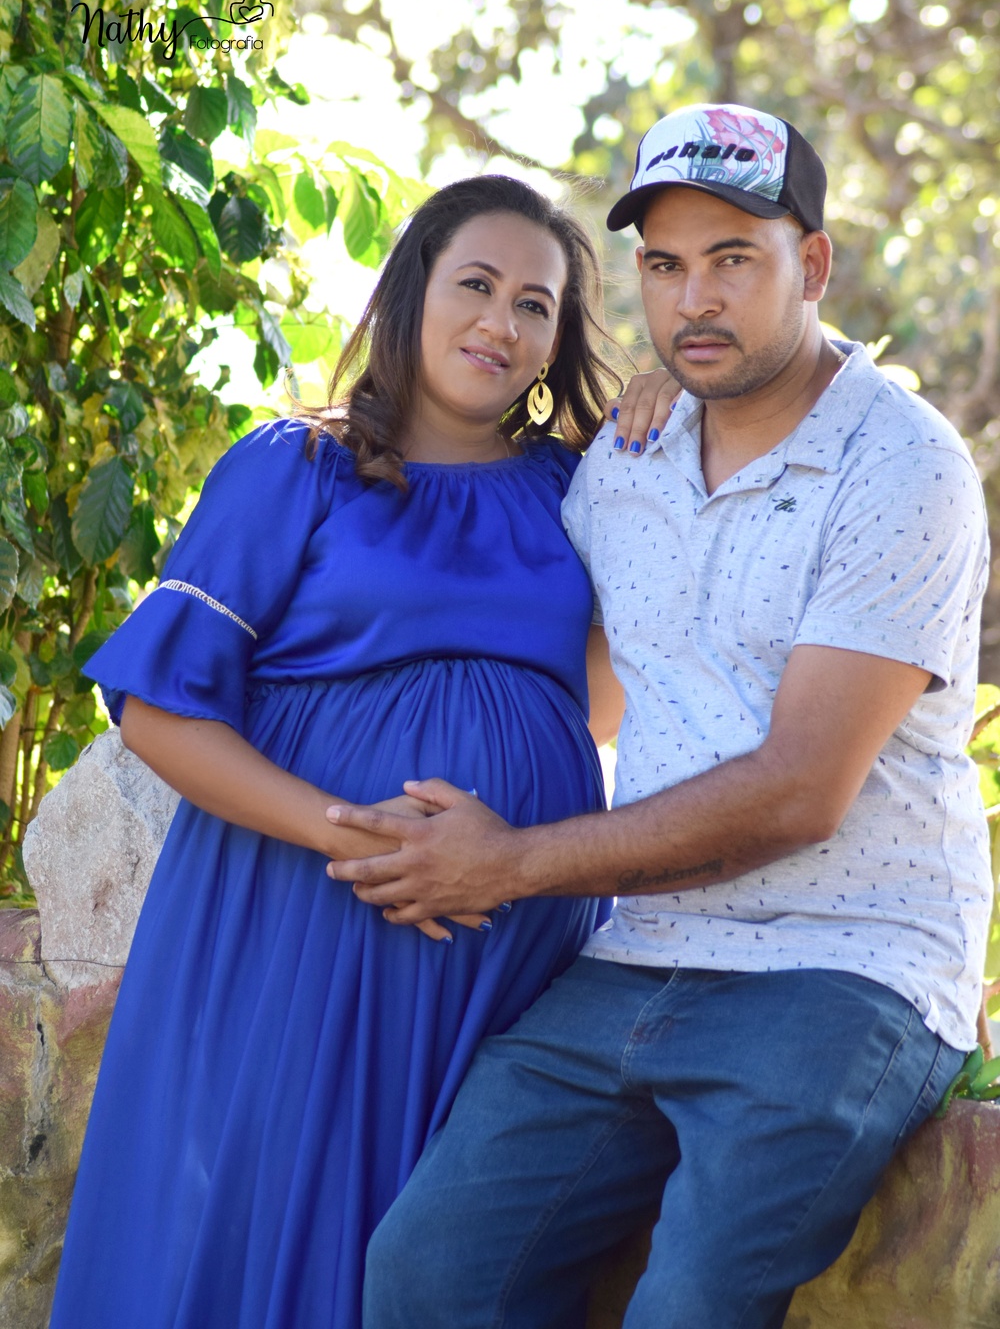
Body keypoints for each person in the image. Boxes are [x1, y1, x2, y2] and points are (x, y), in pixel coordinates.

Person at [330, 104, 994, 1329]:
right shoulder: (627, 459)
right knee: (426, 1273)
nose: (694, 299)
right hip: (638, 947)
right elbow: (562, 672)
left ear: (813, 264)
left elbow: (799, 789)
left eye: (733, 259)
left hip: (844, 962)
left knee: (685, 1306)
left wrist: (509, 861)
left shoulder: (902, 467)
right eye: (663, 264)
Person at [48, 174, 632, 1329]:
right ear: (413, 288)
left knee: (458, 1260)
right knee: (271, 1224)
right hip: (302, 913)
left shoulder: (582, 489)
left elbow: (601, 710)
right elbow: (157, 708)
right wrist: (347, 829)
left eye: (535, 304)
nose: (501, 322)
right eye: (476, 284)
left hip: (508, 947)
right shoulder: (295, 465)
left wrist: (654, 444)